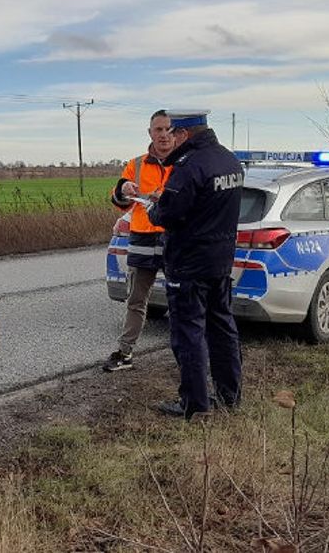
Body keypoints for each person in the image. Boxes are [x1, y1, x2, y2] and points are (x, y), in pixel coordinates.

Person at [145, 109, 244, 419]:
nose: (169, 138)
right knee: (223, 328)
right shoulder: (229, 160)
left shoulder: (189, 167)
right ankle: (230, 396)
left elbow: (169, 213)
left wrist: (153, 209)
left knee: (188, 334)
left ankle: (194, 404)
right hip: (220, 261)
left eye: (173, 133)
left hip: (188, 264)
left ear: (185, 134)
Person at [103, 109, 175, 372]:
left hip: (173, 238)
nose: (164, 135)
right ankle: (125, 353)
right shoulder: (136, 164)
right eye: (159, 130)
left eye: (168, 129)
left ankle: (187, 351)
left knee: (181, 298)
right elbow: (118, 198)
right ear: (150, 133)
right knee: (136, 299)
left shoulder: (185, 162)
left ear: (176, 132)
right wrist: (122, 190)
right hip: (142, 238)